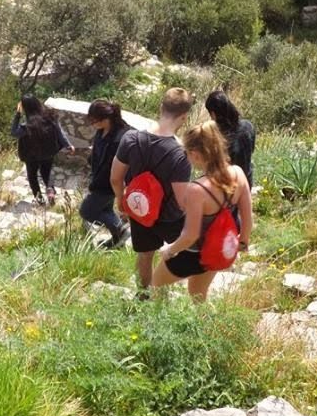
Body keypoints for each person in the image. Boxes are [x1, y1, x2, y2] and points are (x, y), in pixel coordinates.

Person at [153, 121, 253, 301]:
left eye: (187, 153)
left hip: (193, 254)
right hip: (219, 249)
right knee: (198, 294)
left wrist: (170, 250)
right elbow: (247, 218)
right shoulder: (238, 173)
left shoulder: (197, 189)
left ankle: (156, 325)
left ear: (196, 154)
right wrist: (242, 243)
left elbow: (190, 235)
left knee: (155, 285)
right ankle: (205, 327)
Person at [111, 87, 194, 296]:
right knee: (183, 251)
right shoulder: (180, 154)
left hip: (140, 210)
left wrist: (121, 200)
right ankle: (166, 290)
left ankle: (143, 295)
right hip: (169, 217)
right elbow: (181, 200)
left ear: (161, 107)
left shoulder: (130, 139)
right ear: (184, 117)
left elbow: (115, 177)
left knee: (145, 254)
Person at [79, 99, 131, 248]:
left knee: (87, 211)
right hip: (99, 178)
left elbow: (116, 168)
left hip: (107, 183)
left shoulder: (119, 138)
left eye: (94, 120)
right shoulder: (102, 130)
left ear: (105, 118)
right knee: (105, 210)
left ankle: (121, 229)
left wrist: (120, 193)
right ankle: (117, 239)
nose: (92, 123)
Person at [11, 95, 74, 206]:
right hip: (48, 152)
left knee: (32, 176)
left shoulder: (27, 126)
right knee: (47, 173)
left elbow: (14, 133)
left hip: (31, 156)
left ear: (25, 108)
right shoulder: (50, 118)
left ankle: (40, 199)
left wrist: (18, 114)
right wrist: (68, 145)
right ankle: (50, 192)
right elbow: (60, 133)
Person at [205, 90, 256, 187]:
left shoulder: (218, 137)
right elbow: (251, 150)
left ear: (213, 114)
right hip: (247, 182)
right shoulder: (248, 126)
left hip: (228, 186)